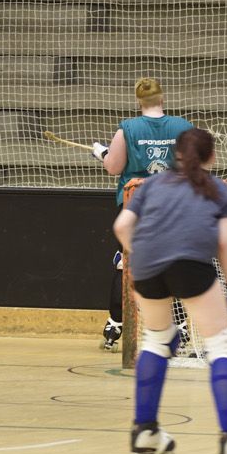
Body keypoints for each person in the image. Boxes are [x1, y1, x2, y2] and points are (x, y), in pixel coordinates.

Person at [112, 128, 227, 454]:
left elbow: (122, 225)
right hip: (190, 265)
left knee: (158, 339)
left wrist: (139, 254)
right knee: (221, 344)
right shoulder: (221, 192)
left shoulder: (151, 185)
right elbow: (223, 244)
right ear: (212, 157)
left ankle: (146, 433)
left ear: (175, 155)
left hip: (145, 266)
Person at [92, 76, 194, 352]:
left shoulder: (127, 128)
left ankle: (115, 325)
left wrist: (102, 153)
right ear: (162, 99)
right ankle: (181, 327)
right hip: (173, 207)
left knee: (126, 265)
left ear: (139, 102)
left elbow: (114, 167)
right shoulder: (183, 127)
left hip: (136, 208)